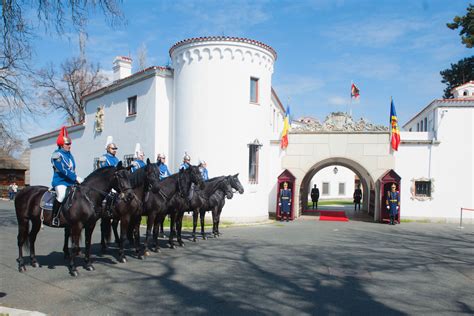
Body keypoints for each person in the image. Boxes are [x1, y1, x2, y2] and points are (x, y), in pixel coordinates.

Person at [51, 126, 83, 226]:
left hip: (70, 181)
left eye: (70, 144)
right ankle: (54, 217)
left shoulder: (70, 155)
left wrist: (76, 178)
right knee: (61, 196)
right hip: (60, 181)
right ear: (61, 145)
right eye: (67, 144)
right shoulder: (56, 155)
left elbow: (71, 169)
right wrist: (75, 177)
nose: (69, 146)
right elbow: (63, 170)